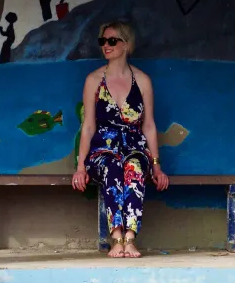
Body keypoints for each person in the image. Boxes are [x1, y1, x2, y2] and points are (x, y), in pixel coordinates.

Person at [72, 20, 169, 257]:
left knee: (134, 167)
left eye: (112, 41)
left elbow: (149, 125)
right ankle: (116, 237)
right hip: (102, 151)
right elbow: (88, 126)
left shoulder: (143, 81)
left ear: (126, 45)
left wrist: (156, 166)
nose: (106, 45)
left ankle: (130, 238)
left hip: (135, 147)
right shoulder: (93, 81)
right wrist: (80, 166)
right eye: (102, 41)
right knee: (112, 166)